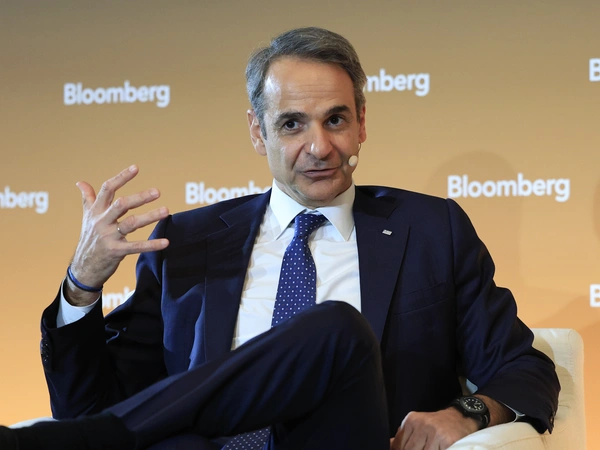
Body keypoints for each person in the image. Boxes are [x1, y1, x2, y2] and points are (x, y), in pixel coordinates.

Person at [1, 27, 559, 450]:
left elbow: (524, 368)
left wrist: (466, 413)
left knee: (337, 328)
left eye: (336, 120)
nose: (319, 146)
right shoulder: (190, 242)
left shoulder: (431, 230)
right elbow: (91, 409)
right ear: (257, 130)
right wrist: (81, 286)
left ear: (362, 123)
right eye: (292, 124)